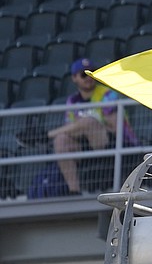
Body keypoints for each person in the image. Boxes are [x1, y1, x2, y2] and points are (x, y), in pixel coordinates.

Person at [50, 58, 138, 195]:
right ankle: (74, 191)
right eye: (84, 75)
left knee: (88, 123)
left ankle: (48, 135)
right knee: (61, 140)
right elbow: (70, 128)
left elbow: (114, 125)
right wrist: (81, 128)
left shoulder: (107, 94)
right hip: (86, 145)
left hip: (115, 142)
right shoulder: (72, 101)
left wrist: (84, 125)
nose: (88, 78)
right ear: (74, 78)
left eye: (91, 73)